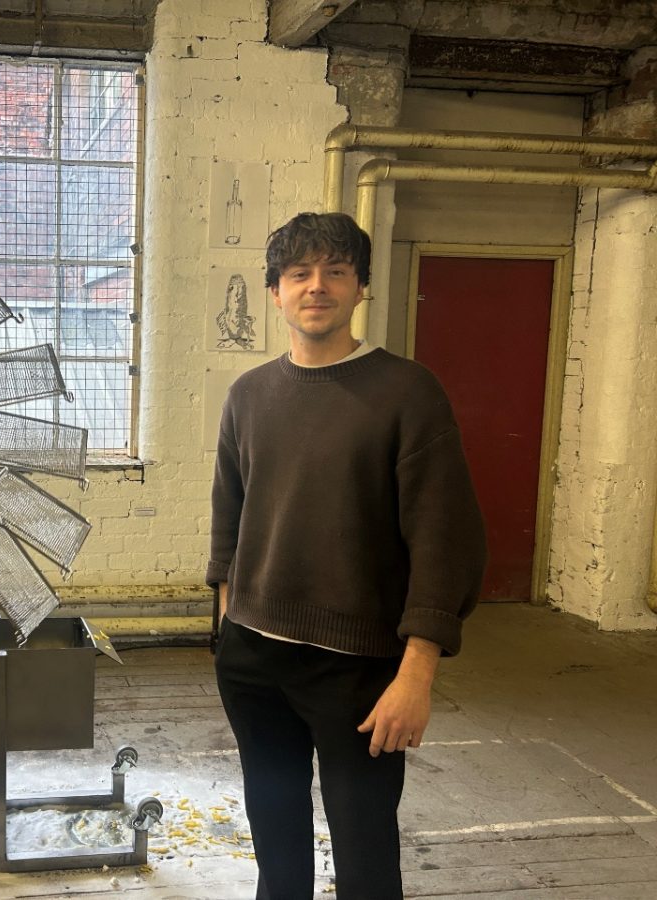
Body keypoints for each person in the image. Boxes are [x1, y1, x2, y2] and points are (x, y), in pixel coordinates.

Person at [207, 211, 486, 899]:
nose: (317, 286)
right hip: (254, 664)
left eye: (336, 270)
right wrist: (227, 626)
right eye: (299, 273)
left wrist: (417, 674)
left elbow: (445, 539)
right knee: (276, 846)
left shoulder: (407, 393)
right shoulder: (249, 396)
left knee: (364, 858)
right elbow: (228, 519)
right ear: (275, 291)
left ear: (361, 287)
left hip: (358, 671)